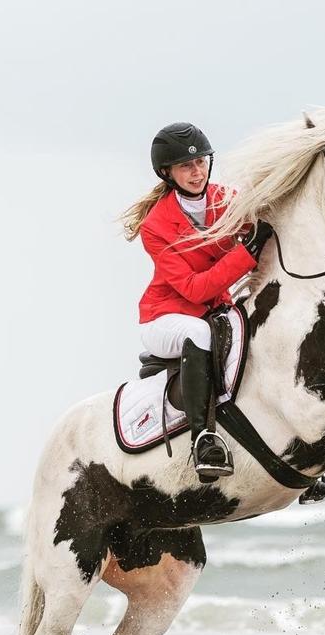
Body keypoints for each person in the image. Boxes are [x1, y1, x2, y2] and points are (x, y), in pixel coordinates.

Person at [120, 122, 273, 481]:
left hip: (215, 310)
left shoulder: (227, 200)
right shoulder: (156, 226)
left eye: (202, 162)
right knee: (198, 334)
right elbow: (193, 289)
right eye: (186, 166)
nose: (196, 171)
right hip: (166, 317)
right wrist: (246, 254)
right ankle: (204, 439)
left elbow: (263, 231)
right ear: (167, 173)